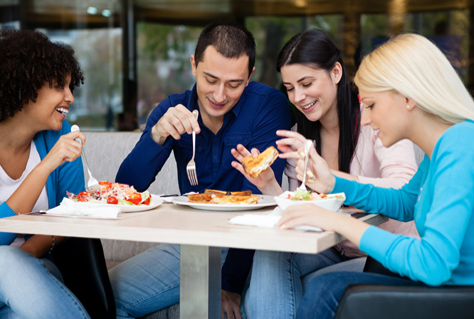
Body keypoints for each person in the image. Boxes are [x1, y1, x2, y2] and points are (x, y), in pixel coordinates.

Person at [276, 33, 474, 319]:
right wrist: (334, 184)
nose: (365, 119)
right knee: (329, 286)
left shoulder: (459, 145)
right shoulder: (444, 146)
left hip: (457, 296)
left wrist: (338, 221)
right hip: (447, 287)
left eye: (370, 105)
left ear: (407, 98)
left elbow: (433, 264)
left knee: (327, 290)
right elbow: (406, 202)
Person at [230, 28, 418, 318]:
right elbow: (304, 210)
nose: (298, 97)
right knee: (269, 252)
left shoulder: (376, 118)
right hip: (332, 249)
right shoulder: (298, 137)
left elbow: (403, 187)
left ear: (336, 72)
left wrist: (333, 181)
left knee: (303, 283)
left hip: (381, 255)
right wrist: (270, 187)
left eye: (306, 83)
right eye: (290, 88)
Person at [109, 20, 291, 319]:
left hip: (254, 246)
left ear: (250, 77)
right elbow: (125, 188)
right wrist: (157, 136)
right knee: (105, 297)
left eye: (234, 84)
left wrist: (229, 282)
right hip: (194, 245)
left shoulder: (268, 106)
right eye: (211, 79)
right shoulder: (173, 109)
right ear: (194, 65)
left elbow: (264, 198)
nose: (219, 95)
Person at [0, 29, 90, 318]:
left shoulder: (61, 135)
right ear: (24, 87)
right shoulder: (54, 153)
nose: (70, 98)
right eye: (58, 86)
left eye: (70, 86)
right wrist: (44, 167)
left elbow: (70, 214)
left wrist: (19, 258)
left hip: (35, 270)